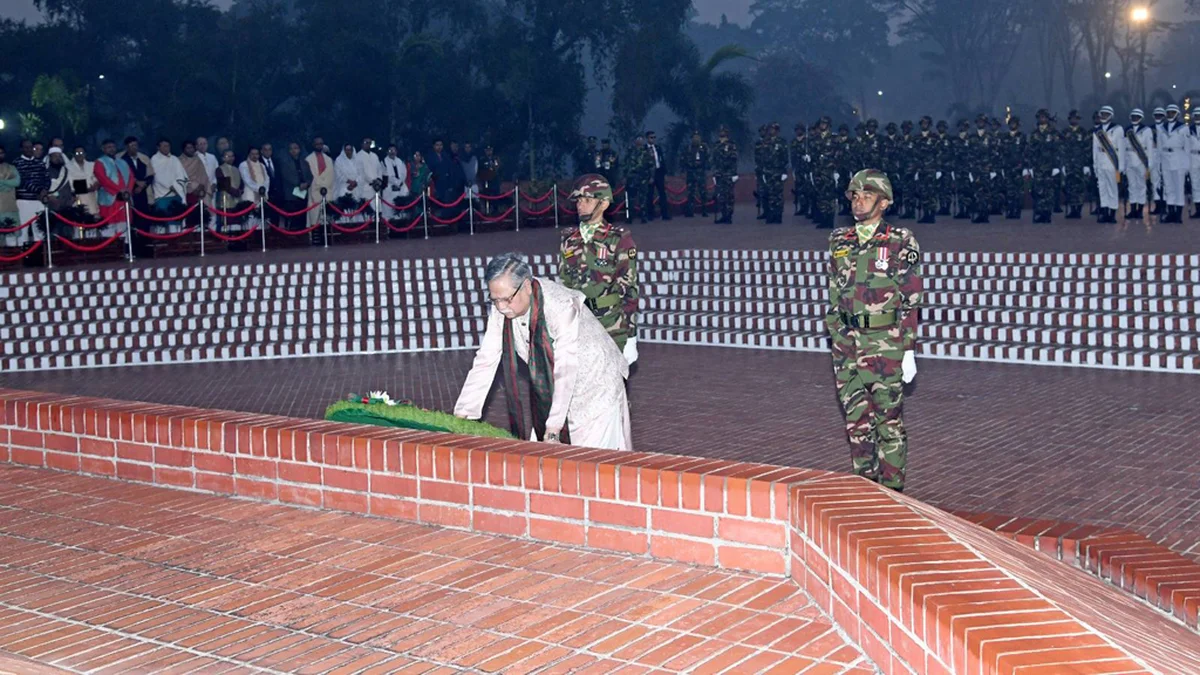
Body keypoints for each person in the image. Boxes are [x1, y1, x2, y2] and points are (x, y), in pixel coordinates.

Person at [454, 252, 632, 450]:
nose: (501, 307)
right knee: (540, 460)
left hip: (595, 385)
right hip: (552, 389)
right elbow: (486, 358)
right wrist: (463, 414)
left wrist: (553, 428)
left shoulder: (561, 306)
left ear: (527, 287)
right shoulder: (502, 309)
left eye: (507, 299)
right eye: (495, 300)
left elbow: (566, 367)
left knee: (592, 464)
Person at [826, 169, 921, 492]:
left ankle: (894, 493)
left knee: (888, 422)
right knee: (856, 422)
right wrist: (836, 333)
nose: (859, 201)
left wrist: (908, 349)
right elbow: (835, 292)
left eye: (867, 196)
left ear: (884, 203)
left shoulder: (899, 241)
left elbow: (911, 297)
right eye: (855, 195)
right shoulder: (839, 240)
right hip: (847, 345)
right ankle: (865, 489)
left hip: (885, 343)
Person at [559, 174, 639, 365]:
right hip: (580, 324)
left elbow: (630, 289)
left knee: (611, 388)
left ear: (603, 204)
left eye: (587, 200)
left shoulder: (618, 239)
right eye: (578, 201)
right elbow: (564, 285)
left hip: (612, 324)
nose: (580, 205)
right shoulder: (569, 241)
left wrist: (630, 334)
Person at [1027, 109, 1061, 223]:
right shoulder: (1034, 133)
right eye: (1040, 117)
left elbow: (1058, 150)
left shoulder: (1053, 133)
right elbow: (1030, 151)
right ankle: (1040, 212)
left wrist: (1057, 166)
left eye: (1044, 117)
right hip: (1037, 166)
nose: (1042, 119)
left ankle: (1047, 213)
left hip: (1050, 166)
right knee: (1038, 190)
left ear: (1047, 118)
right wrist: (1029, 166)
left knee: (1049, 190)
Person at [1092, 106, 1124, 224]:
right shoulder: (1097, 131)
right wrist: (1095, 165)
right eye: (1102, 114)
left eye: (1106, 114)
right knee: (1103, 189)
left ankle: (1112, 214)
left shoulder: (1118, 129)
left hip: (1112, 163)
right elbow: (1094, 149)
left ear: (1111, 115)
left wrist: (1121, 167)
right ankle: (1104, 213)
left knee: (1112, 189)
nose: (1103, 116)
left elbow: (1121, 149)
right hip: (1100, 162)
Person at [1123, 109, 1155, 221]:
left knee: (1141, 186)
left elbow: (1150, 148)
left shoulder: (1146, 130)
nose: (1135, 118)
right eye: (1133, 116)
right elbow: (1123, 148)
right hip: (1129, 161)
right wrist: (1123, 164)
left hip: (1142, 161)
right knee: (1132, 186)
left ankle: (1140, 210)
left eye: (1137, 116)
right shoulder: (1127, 130)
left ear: (1141, 118)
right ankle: (1132, 209)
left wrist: (1149, 164)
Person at [93, 139, 134, 224]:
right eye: (109, 147)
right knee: (109, 226)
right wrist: (119, 190)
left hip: (124, 198)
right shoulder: (100, 162)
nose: (112, 149)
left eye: (113, 147)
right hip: (109, 197)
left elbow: (131, 177)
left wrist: (128, 190)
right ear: (103, 149)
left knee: (124, 224)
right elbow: (103, 179)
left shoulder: (122, 162)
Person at [14, 139, 49, 238]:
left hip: (39, 200)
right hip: (24, 201)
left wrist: (44, 190)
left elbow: (47, 178)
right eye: (26, 147)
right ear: (21, 149)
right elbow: (22, 180)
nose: (29, 150)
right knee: (23, 231)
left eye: (31, 147)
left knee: (40, 230)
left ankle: (41, 253)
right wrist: (39, 190)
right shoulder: (17, 163)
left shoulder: (40, 163)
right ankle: (23, 253)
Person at [1159, 104, 1187, 223]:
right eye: (1168, 112)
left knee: (1179, 188)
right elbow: (1160, 147)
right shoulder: (1162, 128)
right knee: (1168, 188)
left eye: (1172, 112)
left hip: (1178, 159)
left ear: (1177, 114)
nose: (1170, 114)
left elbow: (1187, 148)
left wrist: (1187, 167)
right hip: (1165, 160)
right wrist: (1160, 163)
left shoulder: (1183, 128)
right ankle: (1170, 213)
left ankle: (1178, 214)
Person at [277, 142, 313, 229]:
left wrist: (306, 183)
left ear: (299, 150)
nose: (294, 150)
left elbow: (310, 176)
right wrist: (298, 184)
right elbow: (286, 176)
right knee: (292, 217)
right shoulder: (284, 163)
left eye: (296, 148)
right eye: (291, 148)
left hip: (303, 193)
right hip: (291, 193)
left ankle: (302, 235)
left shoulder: (305, 162)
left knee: (302, 216)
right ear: (289, 151)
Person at [1060, 110, 1089, 219]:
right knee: (1069, 187)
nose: (1074, 120)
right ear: (1069, 119)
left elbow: (1087, 149)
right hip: (1069, 164)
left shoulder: (1083, 132)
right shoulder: (1064, 132)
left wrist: (1086, 165)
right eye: (1072, 118)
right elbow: (1061, 148)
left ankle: (1079, 210)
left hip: (1080, 164)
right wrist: (1062, 164)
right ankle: (1072, 210)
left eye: (1076, 118)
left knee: (1080, 187)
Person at [150, 138, 189, 213]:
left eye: (168, 146)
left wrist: (177, 187)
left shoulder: (174, 159)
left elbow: (181, 174)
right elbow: (158, 177)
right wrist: (170, 186)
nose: (166, 148)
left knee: (177, 218)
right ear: (158, 147)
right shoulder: (154, 159)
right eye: (164, 146)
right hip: (162, 195)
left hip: (177, 194)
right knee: (164, 219)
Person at [119, 136, 154, 217]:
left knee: (145, 217)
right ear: (126, 147)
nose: (134, 148)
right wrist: (136, 183)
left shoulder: (144, 158)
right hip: (129, 192)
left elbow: (150, 175)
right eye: (131, 146)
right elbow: (122, 176)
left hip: (144, 192)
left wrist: (142, 186)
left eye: (135, 145)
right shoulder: (121, 160)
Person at [305, 136, 336, 226]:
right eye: (317, 144)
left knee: (328, 221)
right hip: (315, 191)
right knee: (314, 220)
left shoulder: (329, 160)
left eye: (321, 144)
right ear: (313, 145)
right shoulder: (308, 159)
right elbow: (311, 176)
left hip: (327, 192)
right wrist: (320, 186)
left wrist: (325, 186)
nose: (319, 146)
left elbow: (331, 176)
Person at [712, 126, 738, 224]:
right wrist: (714, 174)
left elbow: (734, 160)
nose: (722, 133)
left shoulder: (731, 145)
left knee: (729, 195)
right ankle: (723, 214)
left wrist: (734, 173)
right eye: (721, 131)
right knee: (720, 196)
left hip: (728, 173)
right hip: (719, 174)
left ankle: (729, 215)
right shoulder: (716, 145)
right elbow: (714, 160)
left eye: (724, 132)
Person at [179, 140, 210, 219]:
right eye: (188, 148)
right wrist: (192, 188)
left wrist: (201, 186)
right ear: (184, 149)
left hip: (200, 190)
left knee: (202, 214)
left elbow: (203, 175)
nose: (190, 150)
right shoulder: (179, 161)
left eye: (192, 147)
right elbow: (180, 177)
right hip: (186, 190)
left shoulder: (198, 160)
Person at [681, 131, 709, 218]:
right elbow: (683, 160)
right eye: (694, 137)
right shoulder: (688, 148)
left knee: (703, 192)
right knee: (690, 193)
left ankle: (704, 210)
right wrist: (690, 165)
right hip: (691, 173)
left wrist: (704, 165)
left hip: (700, 173)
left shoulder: (703, 148)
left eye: (697, 137)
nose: (696, 139)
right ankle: (690, 211)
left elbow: (708, 158)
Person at [644, 130, 670, 220]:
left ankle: (665, 214)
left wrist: (665, 173)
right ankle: (650, 215)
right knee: (650, 195)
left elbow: (662, 160)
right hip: (650, 174)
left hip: (659, 172)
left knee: (662, 193)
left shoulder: (658, 148)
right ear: (647, 138)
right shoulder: (644, 149)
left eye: (654, 137)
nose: (653, 139)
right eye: (651, 137)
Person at [66, 145, 99, 217]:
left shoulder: (91, 165)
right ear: (73, 154)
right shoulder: (68, 167)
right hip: (78, 199)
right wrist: (87, 188)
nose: (79, 155)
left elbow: (96, 179)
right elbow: (70, 184)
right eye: (77, 153)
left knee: (94, 220)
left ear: (85, 154)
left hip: (92, 198)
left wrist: (96, 184)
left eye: (81, 152)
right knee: (79, 223)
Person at [42, 148, 76, 213]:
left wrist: (73, 197)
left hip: (68, 205)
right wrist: (49, 197)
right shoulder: (45, 172)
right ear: (50, 157)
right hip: (53, 206)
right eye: (55, 156)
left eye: (59, 156)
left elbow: (73, 185)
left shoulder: (67, 171)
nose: (57, 158)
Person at [0, 145, 20, 245]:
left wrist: (2, 182)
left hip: (10, 207)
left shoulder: (11, 168)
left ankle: (13, 260)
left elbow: (17, 182)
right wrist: (7, 182)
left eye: (1, 153)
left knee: (12, 238)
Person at [355, 137, 383, 202]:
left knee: (377, 209)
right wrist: (372, 181)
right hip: (365, 187)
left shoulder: (374, 156)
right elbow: (361, 172)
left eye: (369, 143)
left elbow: (379, 169)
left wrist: (378, 179)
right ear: (361, 144)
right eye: (366, 142)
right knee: (366, 209)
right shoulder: (358, 156)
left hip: (376, 187)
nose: (368, 144)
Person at [477, 145, 500, 213]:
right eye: (487, 150)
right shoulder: (482, 160)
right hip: (486, 183)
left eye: (490, 150)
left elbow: (498, 168)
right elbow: (480, 171)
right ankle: (487, 211)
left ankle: (495, 211)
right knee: (486, 197)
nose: (489, 152)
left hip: (495, 182)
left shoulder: (495, 159)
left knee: (495, 197)